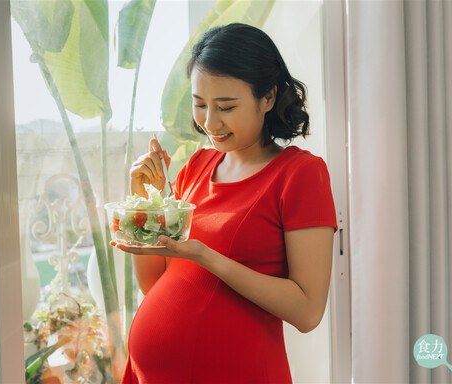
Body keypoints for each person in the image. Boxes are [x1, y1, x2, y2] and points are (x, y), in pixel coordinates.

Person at [112, 23, 337, 383]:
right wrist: (148, 204)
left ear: (267, 98)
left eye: (226, 106)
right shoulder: (198, 167)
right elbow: (156, 285)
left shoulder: (300, 174)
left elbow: (308, 311)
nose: (209, 122)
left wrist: (207, 257)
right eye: (199, 104)